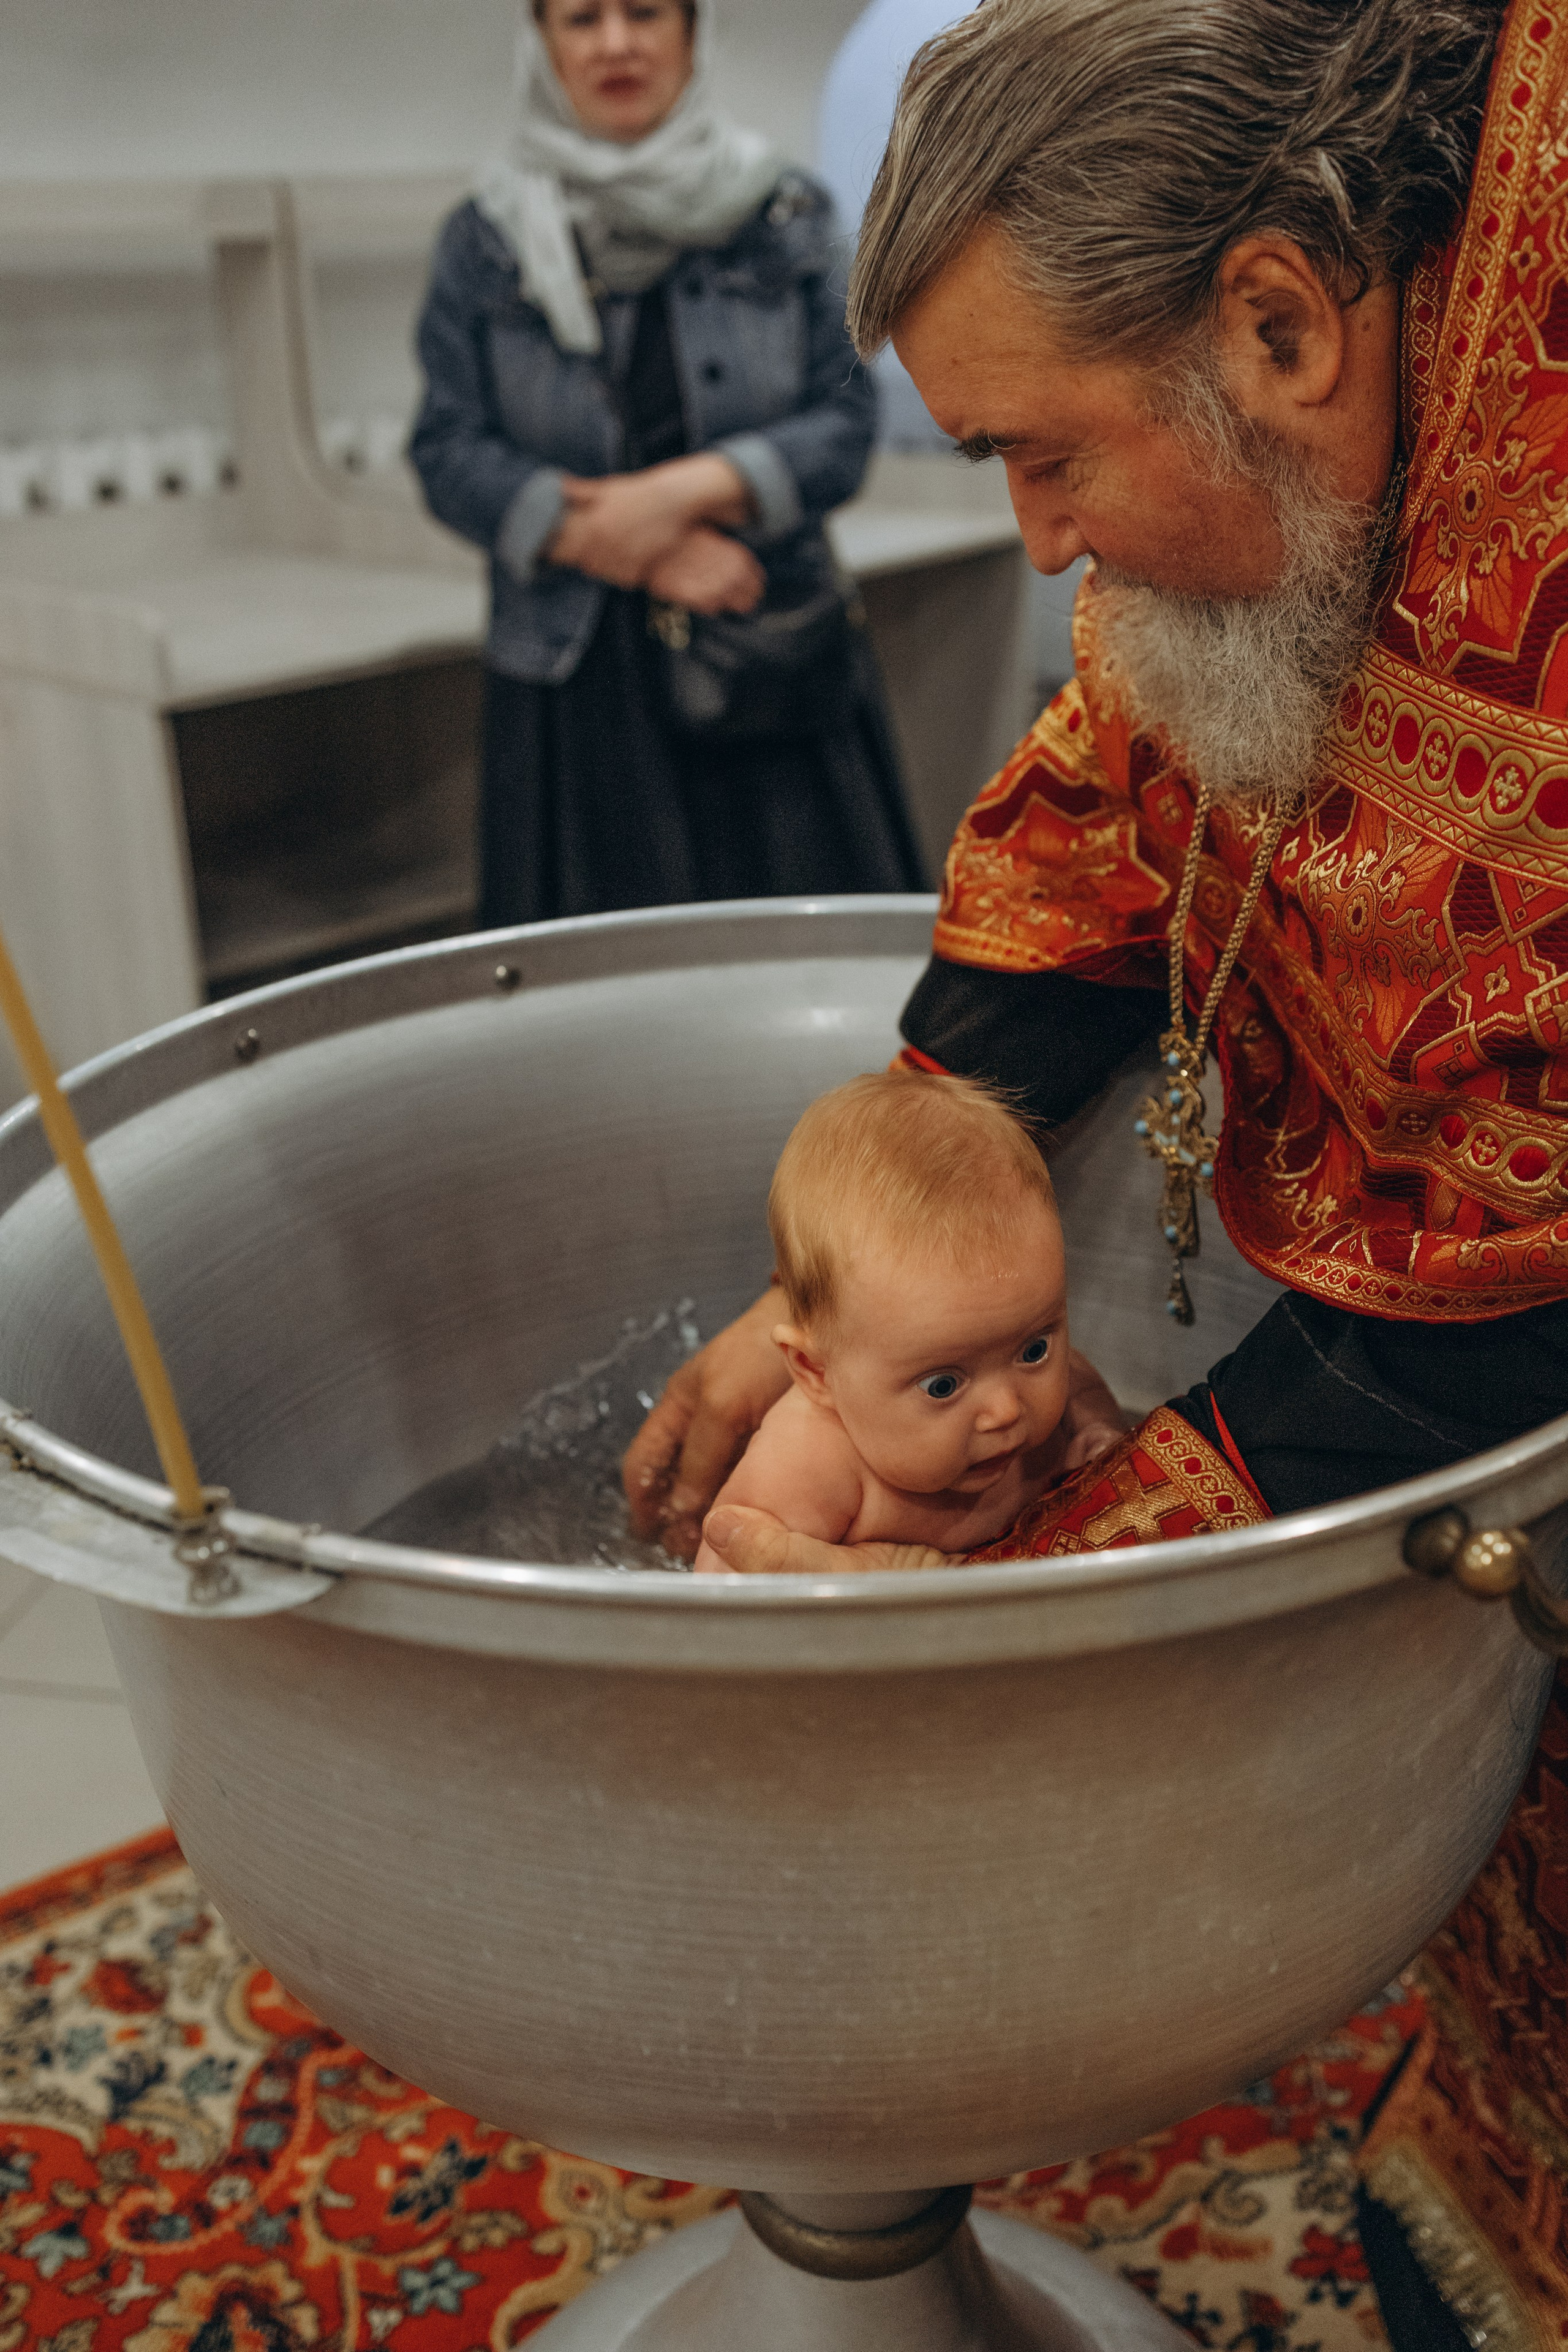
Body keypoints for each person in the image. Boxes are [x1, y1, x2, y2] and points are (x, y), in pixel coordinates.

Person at [622, 1, 1568, 2340]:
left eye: (1038, 455)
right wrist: (822, 1286)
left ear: (1275, 318)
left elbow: (1480, 1294)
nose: (1035, 542)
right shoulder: (1278, 467)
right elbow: (1097, 812)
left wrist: (1013, 1604)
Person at [408, 0, 924, 925]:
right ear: (544, 45)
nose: (616, 43)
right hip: (575, 674)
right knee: (601, 986)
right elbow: (446, 448)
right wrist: (646, 549)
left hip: (762, 635)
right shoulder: (483, 238)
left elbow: (843, 427)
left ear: (693, 32)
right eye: (581, 18)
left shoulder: (784, 213)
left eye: (644, 12)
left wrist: (669, 498)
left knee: (804, 965)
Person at [690, 1070, 1124, 1571]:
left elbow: (1082, 1387)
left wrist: (1099, 1433)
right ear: (816, 1373)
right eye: (942, 1385)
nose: (1006, 1409)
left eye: (1033, 1350)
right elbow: (724, 1600)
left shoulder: (1035, 1380)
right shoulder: (809, 1465)